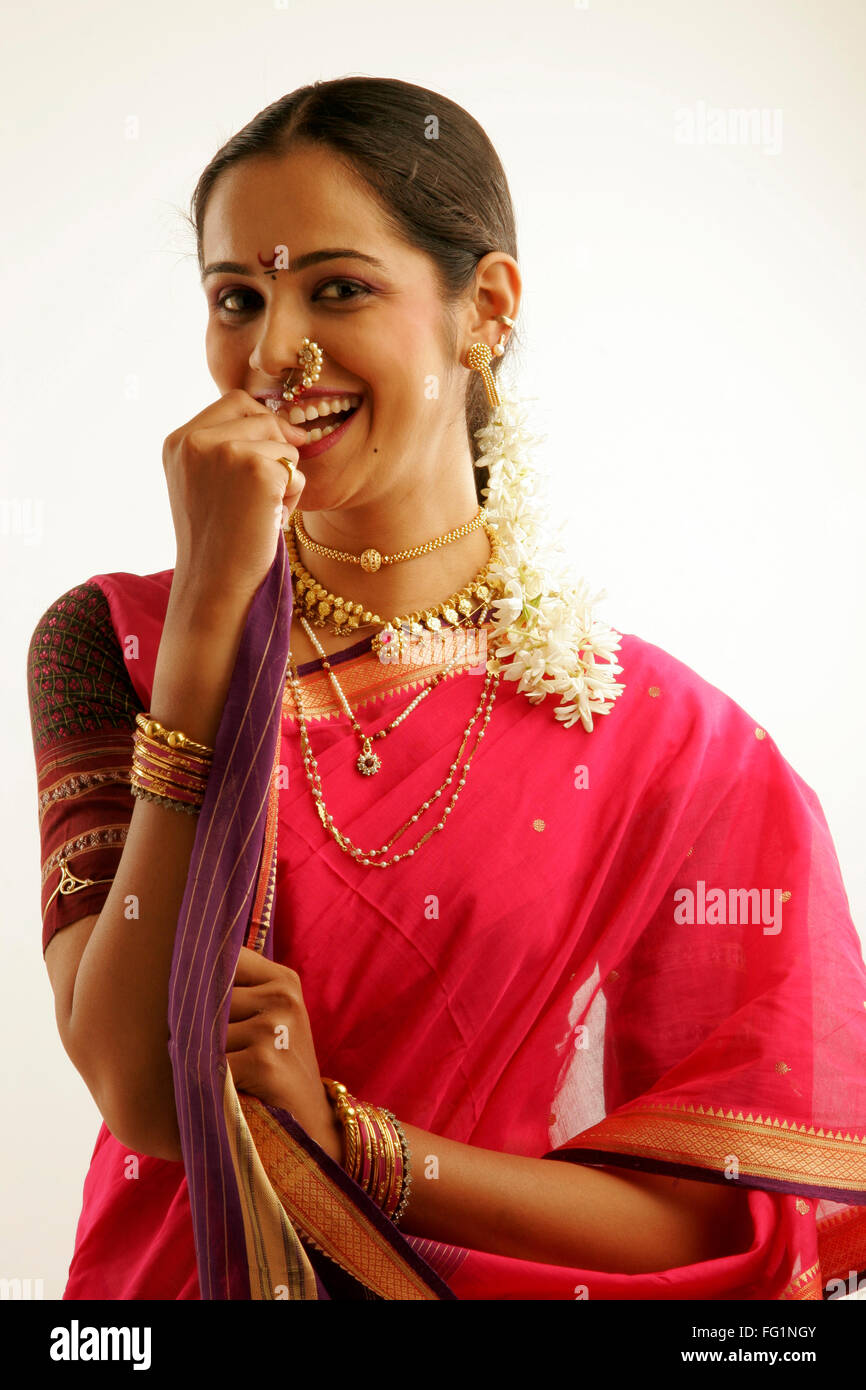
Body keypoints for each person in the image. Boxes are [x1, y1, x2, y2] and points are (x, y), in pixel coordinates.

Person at [27, 75, 866, 1301]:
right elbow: (145, 1095)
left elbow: (707, 1226)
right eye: (236, 298)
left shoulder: (681, 752)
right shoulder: (117, 641)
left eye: (336, 288)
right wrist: (213, 618)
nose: (269, 353)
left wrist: (355, 1139)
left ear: (485, 307)